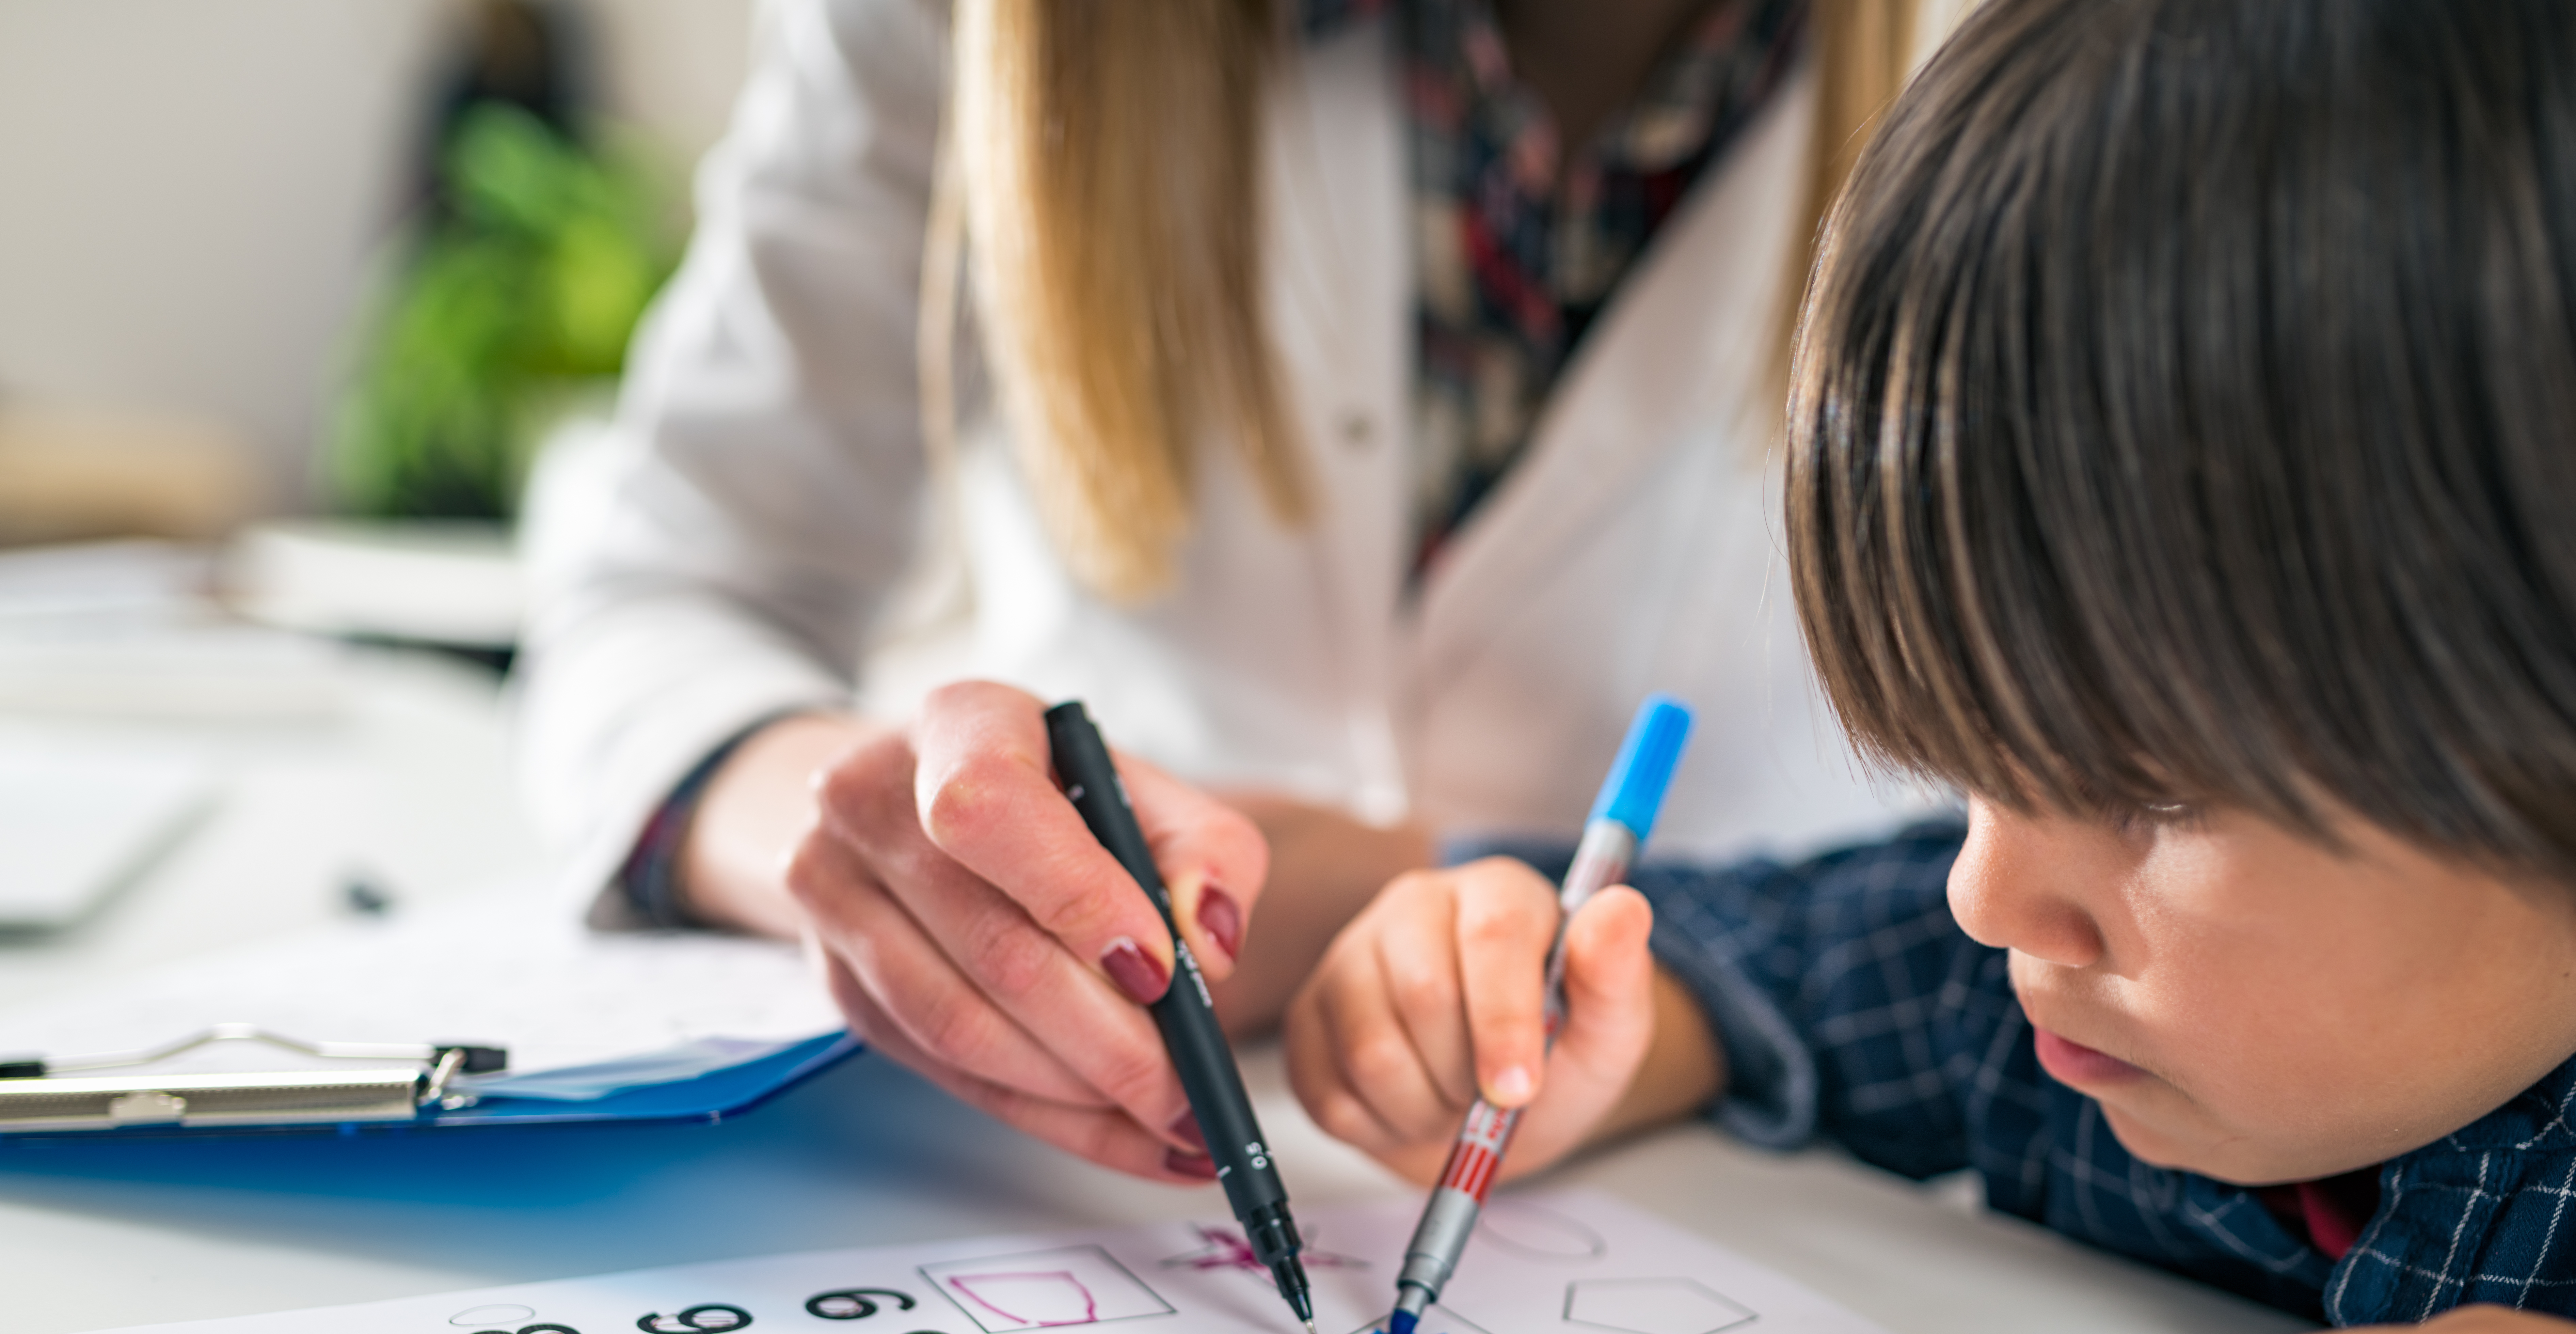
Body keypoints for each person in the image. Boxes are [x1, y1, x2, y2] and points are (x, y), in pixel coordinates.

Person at [1281, 0, 2576, 1334]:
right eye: (1975, 764)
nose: (1986, 897)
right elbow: (1800, 966)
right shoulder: (2135, 995)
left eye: (2149, 793)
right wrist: (1562, 997)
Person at [515, 0, 1962, 1184]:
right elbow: (657, 599)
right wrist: (890, 852)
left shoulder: (2108, 68)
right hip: (1038, 1162)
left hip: (1794, 1178)